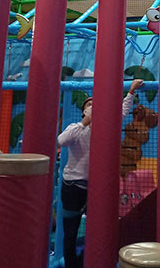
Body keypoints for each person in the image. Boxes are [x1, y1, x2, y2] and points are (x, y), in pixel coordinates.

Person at [57, 79, 144, 268]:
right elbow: (61, 141)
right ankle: (72, 264)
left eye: (96, 104)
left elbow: (121, 111)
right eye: (89, 104)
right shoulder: (75, 127)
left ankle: (94, 260)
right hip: (73, 185)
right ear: (83, 111)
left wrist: (130, 91)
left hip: (96, 186)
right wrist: (85, 121)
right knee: (70, 230)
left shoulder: (105, 127)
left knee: (99, 227)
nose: (93, 106)